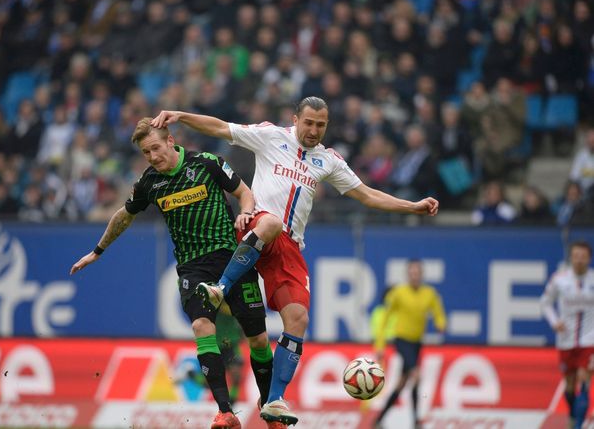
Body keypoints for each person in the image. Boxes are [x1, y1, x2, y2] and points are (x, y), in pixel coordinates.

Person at [151, 96, 439, 426]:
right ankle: (220, 287)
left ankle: (274, 400)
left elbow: (367, 194)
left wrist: (412, 206)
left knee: (298, 318)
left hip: (289, 248)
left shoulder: (329, 160)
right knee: (270, 223)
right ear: (295, 119)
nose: (314, 130)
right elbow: (220, 127)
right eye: (309, 123)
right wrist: (180, 116)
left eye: (321, 125)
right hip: (257, 224)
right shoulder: (271, 135)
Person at [70, 118, 285, 429]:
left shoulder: (207, 163)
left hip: (232, 258)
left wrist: (247, 212)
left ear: (170, 141)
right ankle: (225, 412)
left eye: (156, 148)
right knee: (201, 326)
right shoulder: (149, 183)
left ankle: (269, 408)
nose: (153, 156)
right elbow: (123, 216)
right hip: (193, 267)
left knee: (259, 339)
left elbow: (244, 192)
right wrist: (97, 250)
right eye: (146, 153)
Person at [373, 259, 446, 429]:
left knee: (403, 382)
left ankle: (378, 420)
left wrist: (441, 323)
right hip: (402, 340)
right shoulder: (399, 293)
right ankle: (415, 421)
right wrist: (380, 346)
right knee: (416, 375)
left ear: (421, 275)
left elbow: (438, 312)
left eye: (417, 273)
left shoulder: (429, 294)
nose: (414, 276)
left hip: (416, 343)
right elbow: (384, 317)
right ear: (407, 274)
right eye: (411, 273)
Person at [540, 240, 594, 429]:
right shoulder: (560, 279)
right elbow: (545, 302)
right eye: (576, 256)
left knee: (584, 379)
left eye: (583, 257)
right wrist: (555, 322)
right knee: (569, 386)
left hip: (589, 339)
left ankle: (578, 424)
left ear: (589, 259)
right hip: (566, 339)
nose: (579, 260)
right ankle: (572, 413)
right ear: (571, 258)